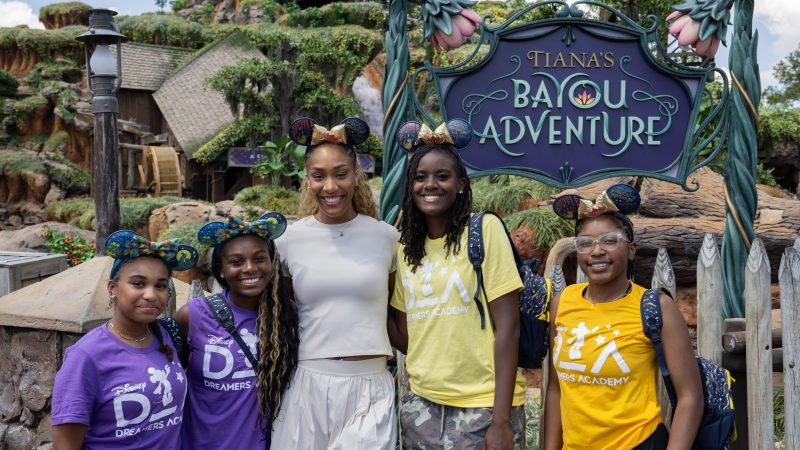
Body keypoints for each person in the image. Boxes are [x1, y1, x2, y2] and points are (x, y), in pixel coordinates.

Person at [388, 120, 527, 450]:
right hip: (422, 408)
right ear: (410, 186)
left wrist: (501, 422)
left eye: (442, 176)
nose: (430, 185)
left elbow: (509, 328)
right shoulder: (405, 250)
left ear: (461, 184)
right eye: (420, 177)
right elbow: (407, 335)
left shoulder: (484, 231)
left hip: (482, 406)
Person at [271, 117, 399, 449]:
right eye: (319, 176)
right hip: (308, 385)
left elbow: (396, 310)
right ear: (307, 179)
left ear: (357, 175)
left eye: (341, 174)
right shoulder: (288, 241)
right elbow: (282, 312)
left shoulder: (386, 238)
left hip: (371, 387)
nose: (330, 187)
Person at [543, 185, 704, 450]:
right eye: (585, 243)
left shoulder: (656, 307)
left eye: (610, 240)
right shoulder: (563, 303)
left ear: (631, 249)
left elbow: (690, 396)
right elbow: (555, 388)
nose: (596, 251)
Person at [52, 230, 199, 450]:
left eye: (160, 285)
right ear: (113, 288)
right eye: (138, 283)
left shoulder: (167, 336)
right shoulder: (86, 356)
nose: (151, 295)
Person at [176, 212, 298, 450]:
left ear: (271, 262)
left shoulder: (287, 316)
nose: (250, 268)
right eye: (237, 262)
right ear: (220, 269)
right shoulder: (193, 315)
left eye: (259, 258)